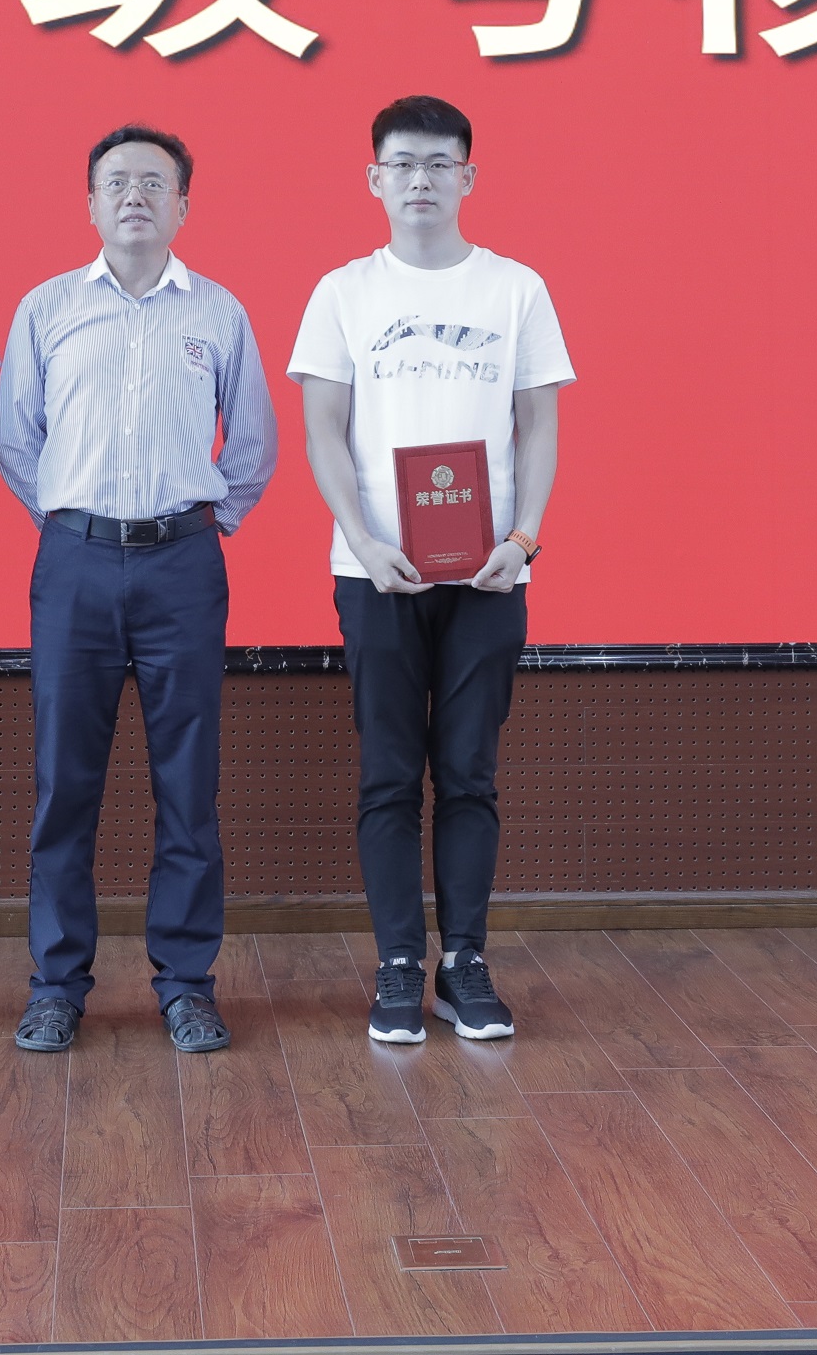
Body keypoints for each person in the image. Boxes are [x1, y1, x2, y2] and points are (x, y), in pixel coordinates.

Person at [288, 94, 567, 1045]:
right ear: (374, 178)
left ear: (468, 177)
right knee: (389, 775)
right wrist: (363, 540)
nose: (421, 179)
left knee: (470, 774)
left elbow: (539, 425)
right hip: (376, 572)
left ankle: (466, 964)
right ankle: (400, 965)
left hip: (489, 573)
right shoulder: (342, 293)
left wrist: (522, 539)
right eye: (403, 163)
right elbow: (323, 430)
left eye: (440, 163)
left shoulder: (515, 290)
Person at [0, 125, 278, 1055]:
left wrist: (200, 525)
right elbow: (16, 440)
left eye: (154, 183)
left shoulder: (219, 313)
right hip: (74, 564)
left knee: (187, 785)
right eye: (116, 182)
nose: (134, 197)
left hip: (182, 568)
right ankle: (56, 986)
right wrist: (73, 521)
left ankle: (187, 984)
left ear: (183, 205)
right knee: (62, 785)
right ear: (89, 203)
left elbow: (252, 447)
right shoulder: (46, 309)